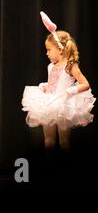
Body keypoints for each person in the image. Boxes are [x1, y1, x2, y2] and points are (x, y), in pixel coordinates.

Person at [22, 12, 95, 153]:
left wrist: (71, 91)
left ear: (60, 50)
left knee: (64, 142)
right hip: (48, 103)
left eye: (49, 50)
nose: (47, 53)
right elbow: (53, 83)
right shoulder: (50, 66)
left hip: (63, 104)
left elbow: (86, 84)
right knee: (48, 141)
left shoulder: (70, 66)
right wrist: (45, 87)